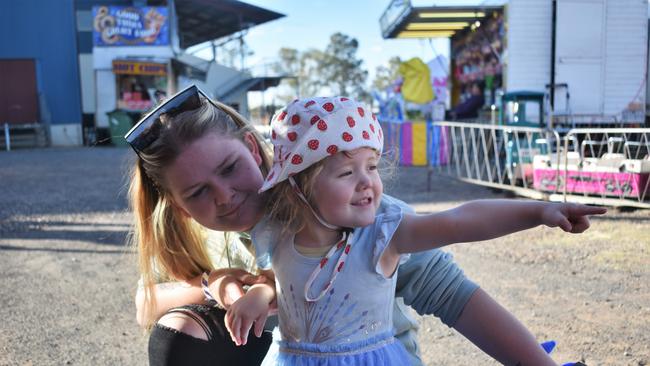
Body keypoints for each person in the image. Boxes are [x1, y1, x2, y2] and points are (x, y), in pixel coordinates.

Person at [126, 85, 595, 365]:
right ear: (180, 206)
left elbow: (451, 289)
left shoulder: (345, 207)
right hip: (292, 354)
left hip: (368, 355)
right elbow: (148, 299)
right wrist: (224, 284)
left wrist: (536, 363)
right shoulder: (218, 228)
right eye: (198, 193)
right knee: (173, 336)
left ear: (252, 149)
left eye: (228, 169)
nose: (224, 196)